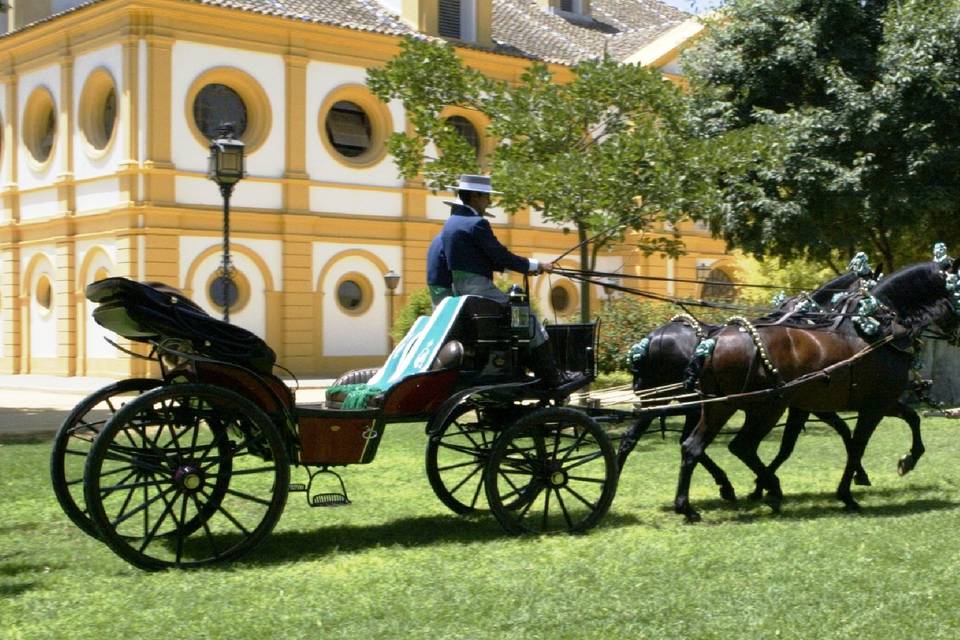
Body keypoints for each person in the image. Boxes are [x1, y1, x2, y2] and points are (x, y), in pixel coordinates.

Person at [440, 174, 567, 387]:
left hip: (460, 287)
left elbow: (483, 257)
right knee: (529, 321)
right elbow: (500, 256)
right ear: (474, 196)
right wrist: (536, 266)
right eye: (487, 197)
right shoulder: (477, 223)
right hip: (478, 287)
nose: (489, 201)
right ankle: (551, 378)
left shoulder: (451, 223)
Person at [426, 234, 453, 307]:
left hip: (434, 285)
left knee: (440, 313)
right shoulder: (450, 239)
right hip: (445, 284)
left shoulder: (437, 238)